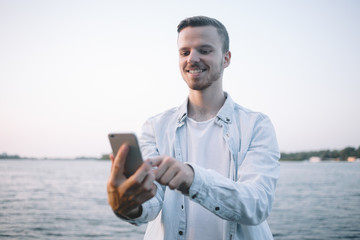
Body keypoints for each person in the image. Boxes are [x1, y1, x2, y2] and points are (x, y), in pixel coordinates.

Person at [107, 16, 280, 240]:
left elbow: (257, 204)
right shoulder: (155, 126)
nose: (192, 59)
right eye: (184, 52)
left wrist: (192, 179)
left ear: (226, 59)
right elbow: (151, 203)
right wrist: (129, 205)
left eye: (204, 50)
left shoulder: (257, 125)